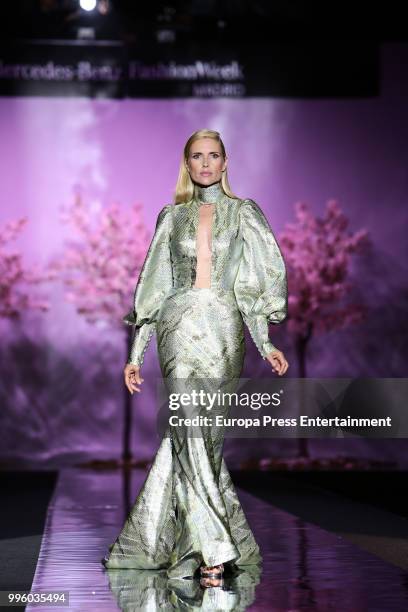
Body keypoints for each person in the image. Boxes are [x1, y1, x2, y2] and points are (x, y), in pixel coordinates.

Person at [102, 129, 289, 587]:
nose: (205, 163)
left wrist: (264, 342)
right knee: (186, 422)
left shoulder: (245, 214)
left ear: (225, 163)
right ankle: (218, 546)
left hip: (224, 331)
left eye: (213, 155)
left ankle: (183, 545)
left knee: (202, 439)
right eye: (197, 156)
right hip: (178, 327)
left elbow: (252, 285)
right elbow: (152, 288)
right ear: (187, 164)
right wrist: (136, 353)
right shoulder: (171, 217)